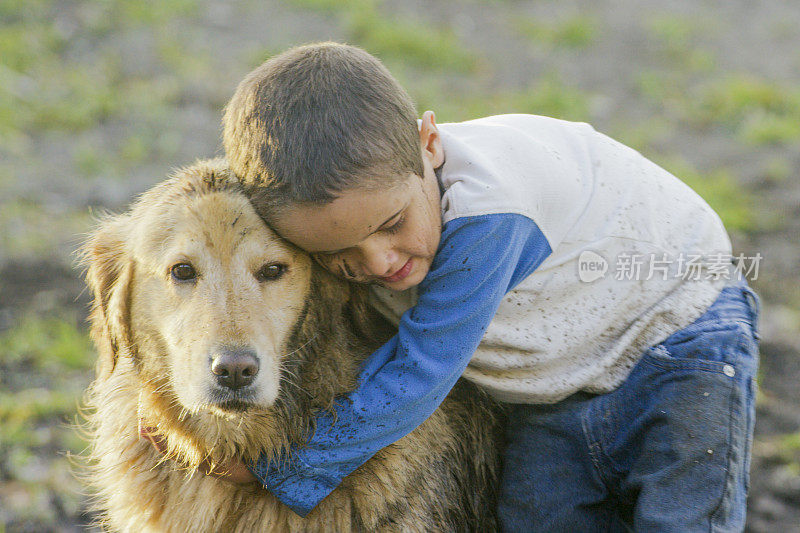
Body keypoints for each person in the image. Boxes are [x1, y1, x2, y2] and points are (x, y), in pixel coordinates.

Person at [157, 42, 761, 531]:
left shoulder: (489, 216)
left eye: (393, 225)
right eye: (337, 255)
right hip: (558, 373)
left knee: (683, 515)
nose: (379, 262)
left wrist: (288, 470)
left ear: (430, 144)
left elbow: (423, 366)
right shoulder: (375, 204)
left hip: (676, 327)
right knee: (536, 518)